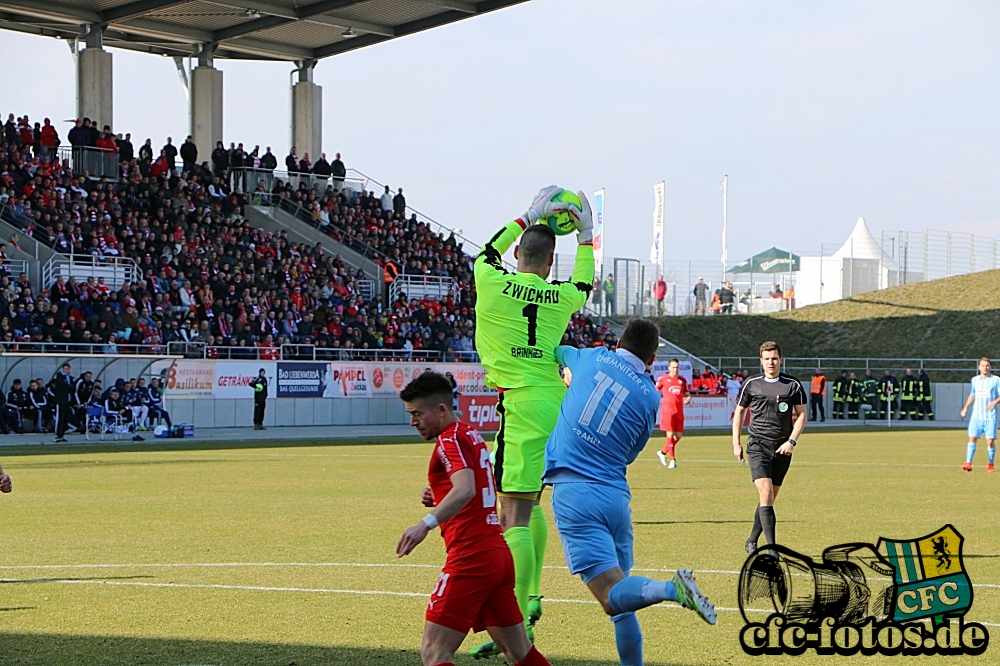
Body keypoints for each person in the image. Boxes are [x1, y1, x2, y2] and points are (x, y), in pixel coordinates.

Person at [545, 320, 716, 666]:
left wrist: (572, 381)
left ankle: (673, 589)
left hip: (576, 493)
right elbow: (631, 453)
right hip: (615, 499)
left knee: (611, 597)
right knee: (622, 606)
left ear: (619, 341)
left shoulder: (591, 358)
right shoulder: (650, 396)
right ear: (653, 358)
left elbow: (556, 351)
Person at [471, 185, 593, 657]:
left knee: (512, 515)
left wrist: (525, 215)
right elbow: (585, 285)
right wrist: (587, 237)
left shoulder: (491, 280)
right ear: (549, 263)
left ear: (519, 253)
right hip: (554, 401)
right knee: (532, 503)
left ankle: (515, 622)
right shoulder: (561, 295)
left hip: (521, 404)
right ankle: (535, 596)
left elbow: (485, 251)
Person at [396, 372, 551, 666]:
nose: (413, 422)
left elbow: (466, 488)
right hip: (497, 554)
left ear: (441, 409)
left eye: (417, 414)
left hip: (472, 558)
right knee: (519, 651)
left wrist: (424, 524)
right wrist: (442, 496)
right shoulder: (469, 434)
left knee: (434, 652)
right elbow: (480, 483)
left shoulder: (448, 439)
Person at [732, 341, 807, 555]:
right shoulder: (752, 383)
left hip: (782, 448)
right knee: (765, 493)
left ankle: (752, 539)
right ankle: (772, 548)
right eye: (767, 359)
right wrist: (736, 443)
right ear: (761, 361)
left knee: (769, 498)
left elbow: (802, 415)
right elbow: (739, 413)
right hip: (758, 445)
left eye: (774, 358)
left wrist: (791, 441)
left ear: (780, 359)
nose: (771, 362)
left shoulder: (792, 384)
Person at [960, 357, 1000, 473]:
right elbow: (972, 395)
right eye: (983, 365)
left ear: (990, 367)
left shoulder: (996, 380)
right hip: (976, 416)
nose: (985, 368)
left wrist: (994, 401)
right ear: (979, 367)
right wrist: (965, 408)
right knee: (972, 438)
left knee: (990, 441)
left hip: (990, 417)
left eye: (987, 365)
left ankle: (991, 464)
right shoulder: (975, 380)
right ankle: (968, 463)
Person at [655, 359, 690, 469]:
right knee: (669, 435)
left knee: (678, 436)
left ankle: (663, 452)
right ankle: (672, 459)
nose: (675, 369)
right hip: (667, 411)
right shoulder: (663, 379)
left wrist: (688, 398)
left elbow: (687, 394)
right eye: (673, 367)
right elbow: (655, 390)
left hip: (679, 411)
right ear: (669, 368)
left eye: (677, 367)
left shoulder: (682, 381)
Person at [51, 362, 75, 442]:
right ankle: (57, 434)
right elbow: (62, 386)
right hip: (61, 400)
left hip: (68, 401)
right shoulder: (59, 376)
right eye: (65, 369)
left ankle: (62, 435)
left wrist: (69, 388)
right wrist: (68, 388)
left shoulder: (70, 377)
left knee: (65, 418)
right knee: (60, 418)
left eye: (68, 369)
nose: (67, 370)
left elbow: (73, 388)